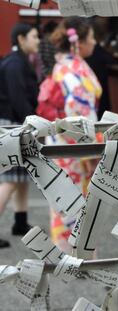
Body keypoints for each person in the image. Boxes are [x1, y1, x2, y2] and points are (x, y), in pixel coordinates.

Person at [37, 17, 101, 253]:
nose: (94, 42)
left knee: (63, 199)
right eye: (92, 37)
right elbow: (79, 110)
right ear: (78, 42)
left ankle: (68, 253)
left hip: (59, 142)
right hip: (72, 147)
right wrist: (91, 146)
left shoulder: (61, 65)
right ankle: (75, 255)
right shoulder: (73, 70)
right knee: (76, 200)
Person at [0, 23, 40, 247]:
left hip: (14, 123)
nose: (38, 41)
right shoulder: (15, 64)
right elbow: (17, 98)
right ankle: (17, 221)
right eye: (34, 36)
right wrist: (33, 121)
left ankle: (20, 221)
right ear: (21, 39)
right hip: (12, 124)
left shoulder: (16, 61)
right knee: (10, 180)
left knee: (21, 177)